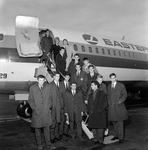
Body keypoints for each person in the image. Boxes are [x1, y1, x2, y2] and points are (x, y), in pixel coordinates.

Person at [28, 75, 55, 150]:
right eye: (40, 80)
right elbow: (30, 100)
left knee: (47, 129)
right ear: (37, 80)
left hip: (46, 112)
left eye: (43, 80)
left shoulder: (48, 87)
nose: (41, 82)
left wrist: (48, 106)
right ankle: (39, 144)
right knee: (37, 130)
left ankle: (48, 144)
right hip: (37, 112)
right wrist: (34, 108)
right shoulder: (32, 88)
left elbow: (50, 98)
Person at [107, 73, 128, 143]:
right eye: (111, 78)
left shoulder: (121, 85)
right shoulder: (109, 86)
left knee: (120, 123)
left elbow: (125, 94)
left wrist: (120, 101)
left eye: (114, 78)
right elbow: (107, 95)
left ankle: (121, 137)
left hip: (119, 107)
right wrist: (109, 102)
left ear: (115, 77)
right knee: (114, 122)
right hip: (112, 108)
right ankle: (116, 135)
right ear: (110, 78)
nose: (112, 79)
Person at [87, 81, 107, 148]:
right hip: (92, 114)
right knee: (94, 129)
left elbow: (105, 103)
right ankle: (95, 140)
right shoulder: (90, 94)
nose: (91, 86)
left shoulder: (102, 93)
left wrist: (100, 110)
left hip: (100, 114)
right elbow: (89, 104)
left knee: (100, 129)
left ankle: (100, 142)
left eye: (92, 85)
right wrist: (89, 111)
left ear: (96, 86)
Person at [49, 72, 63, 143]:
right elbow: (48, 97)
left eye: (59, 76)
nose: (58, 78)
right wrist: (50, 107)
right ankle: (51, 137)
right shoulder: (50, 85)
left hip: (59, 107)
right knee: (53, 122)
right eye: (56, 76)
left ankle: (56, 136)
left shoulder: (60, 85)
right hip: (53, 107)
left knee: (58, 121)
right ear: (53, 77)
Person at [59, 73, 71, 138]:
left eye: (68, 77)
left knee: (67, 118)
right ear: (64, 77)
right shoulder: (60, 84)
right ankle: (60, 133)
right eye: (66, 77)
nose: (67, 78)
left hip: (68, 104)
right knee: (62, 119)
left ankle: (65, 132)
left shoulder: (71, 84)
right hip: (62, 104)